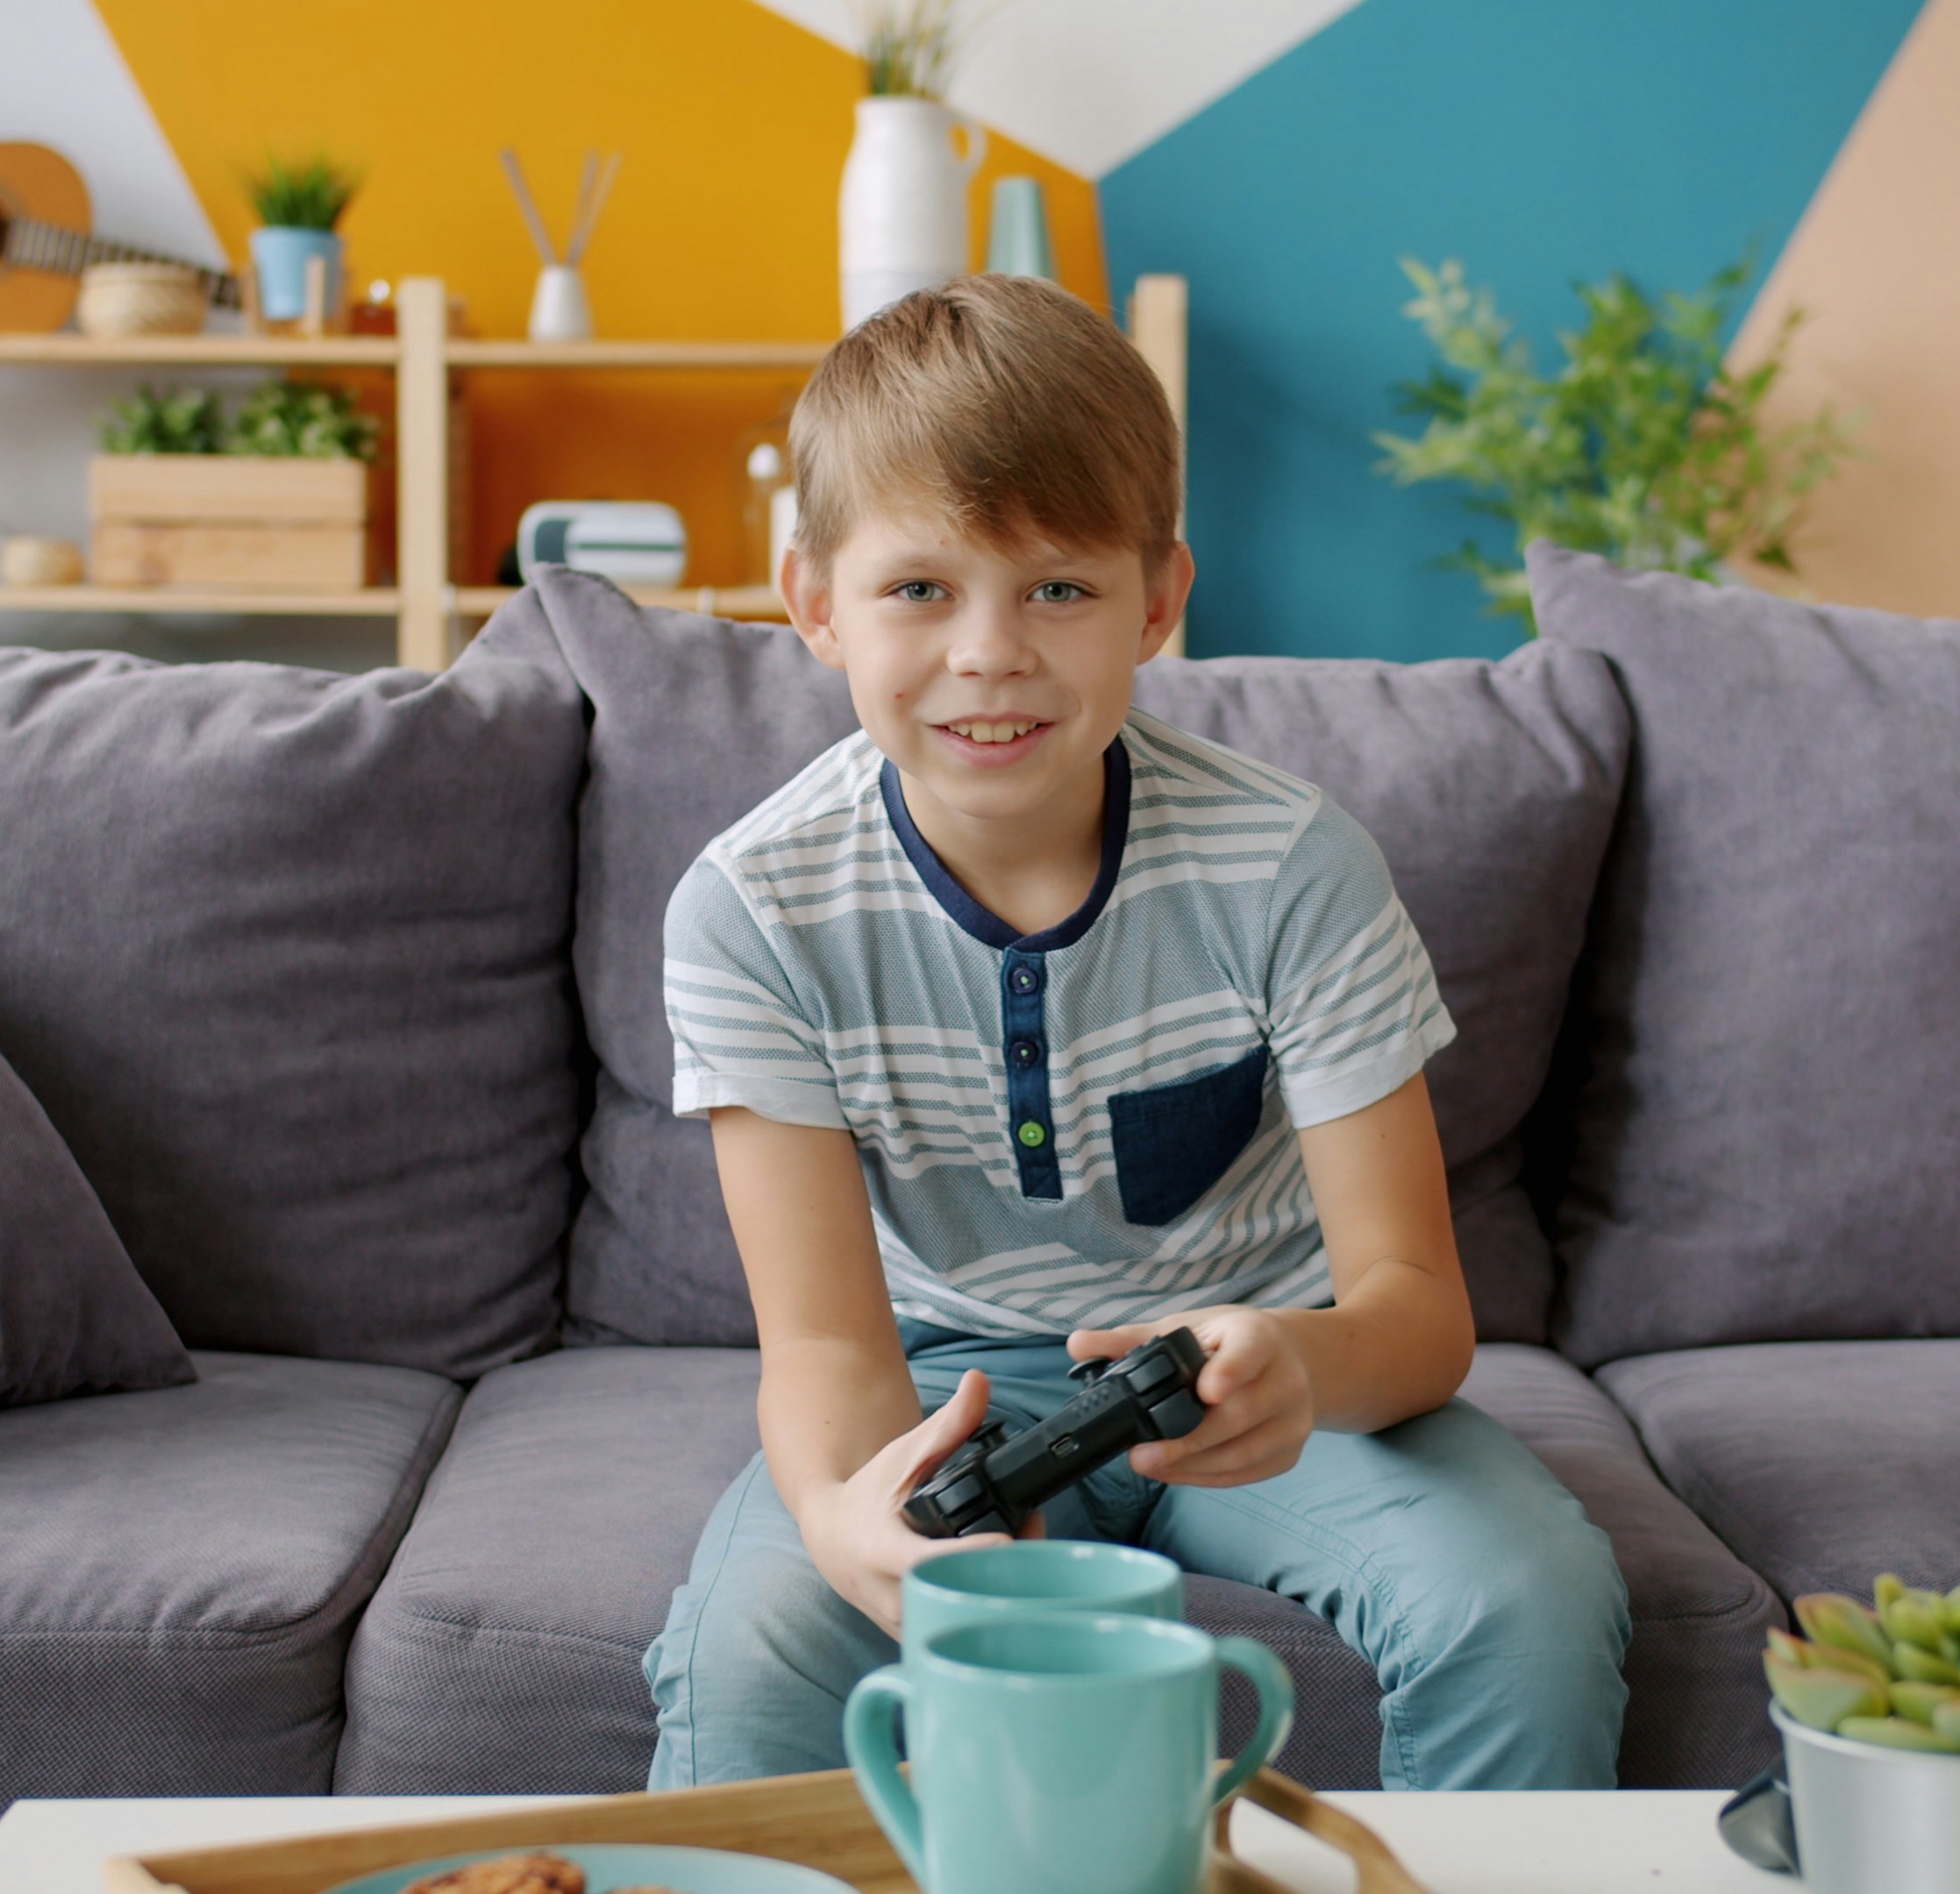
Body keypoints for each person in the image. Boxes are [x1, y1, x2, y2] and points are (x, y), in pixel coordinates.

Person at [642, 274, 1628, 1791]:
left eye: (1057, 587)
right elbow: (830, 1344)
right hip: (951, 1379)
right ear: (813, 604)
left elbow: (1416, 1306)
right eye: (920, 590)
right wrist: (847, 1522)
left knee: (1530, 1602)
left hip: (1273, 1372)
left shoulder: (1294, 867)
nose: (990, 652)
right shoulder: (752, 913)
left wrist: (1302, 1366)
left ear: (1158, 600)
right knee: (757, 1635)